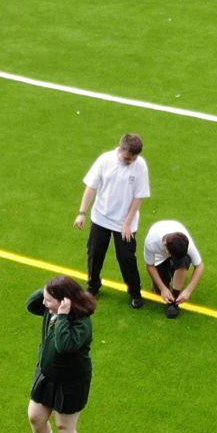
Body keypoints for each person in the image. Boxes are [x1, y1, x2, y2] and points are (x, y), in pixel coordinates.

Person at [24, 277, 95, 433]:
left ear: (65, 302)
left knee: (65, 427)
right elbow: (31, 305)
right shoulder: (50, 308)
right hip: (47, 374)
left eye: (48, 300)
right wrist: (49, 289)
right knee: (35, 416)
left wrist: (62, 315)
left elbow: (64, 346)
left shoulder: (81, 322)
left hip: (71, 382)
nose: (44, 304)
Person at [76, 132, 151, 308]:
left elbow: (139, 197)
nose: (130, 161)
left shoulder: (140, 166)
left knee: (126, 258)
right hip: (101, 217)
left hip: (125, 223)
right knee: (94, 254)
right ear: (121, 148)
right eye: (128, 157)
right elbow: (91, 187)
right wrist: (82, 213)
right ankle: (93, 286)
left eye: (133, 158)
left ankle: (135, 291)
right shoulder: (105, 160)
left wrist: (127, 223)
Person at [141, 218, 205, 319]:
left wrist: (188, 290)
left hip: (175, 253)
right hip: (159, 258)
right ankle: (170, 268)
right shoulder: (151, 242)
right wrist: (162, 289)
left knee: (184, 260)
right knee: (159, 291)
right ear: (168, 251)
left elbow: (200, 266)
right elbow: (150, 266)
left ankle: (175, 298)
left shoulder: (184, 241)